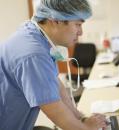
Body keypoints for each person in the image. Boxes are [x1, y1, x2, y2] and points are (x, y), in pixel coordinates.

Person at [0, 0, 107, 130]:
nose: (80, 32)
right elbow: (54, 110)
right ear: (56, 20)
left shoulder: (35, 34)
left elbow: (55, 85)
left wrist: (81, 118)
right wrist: (86, 128)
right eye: (78, 24)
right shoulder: (34, 54)